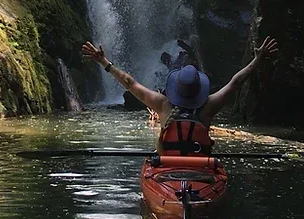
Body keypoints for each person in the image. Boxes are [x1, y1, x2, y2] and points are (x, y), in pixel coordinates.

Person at [80, 37, 278, 150]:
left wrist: (104, 62)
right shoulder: (208, 106)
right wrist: (257, 60)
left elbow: (129, 83)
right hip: (201, 171)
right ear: (199, 90)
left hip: (167, 172)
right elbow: (236, 83)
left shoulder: (163, 105)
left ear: (176, 88)